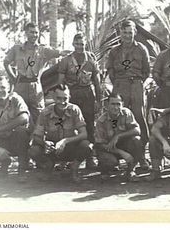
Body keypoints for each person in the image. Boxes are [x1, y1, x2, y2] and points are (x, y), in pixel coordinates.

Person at [106, 19, 150, 169]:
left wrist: (137, 82)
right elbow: (110, 70)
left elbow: (146, 70)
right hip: (120, 84)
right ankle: (116, 156)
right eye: (124, 32)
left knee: (139, 117)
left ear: (135, 33)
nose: (127, 35)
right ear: (120, 33)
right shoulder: (114, 51)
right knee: (118, 117)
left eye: (130, 32)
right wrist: (118, 83)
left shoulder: (142, 49)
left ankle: (142, 156)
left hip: (136, 84)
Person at [4, 22, 66, 127]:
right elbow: (6, 63)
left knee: (39, 116)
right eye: (31, 32)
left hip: (35, 87)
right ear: (26, 33)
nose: (34, 35)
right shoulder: (16, 49)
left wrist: (80, 52)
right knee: (18, 114)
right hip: (20, 86)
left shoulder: (43, 50)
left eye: (36, 33)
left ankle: (38, 141)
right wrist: (13, 78)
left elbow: (61, 52)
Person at [28, 84, 91, 182]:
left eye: (65, 98)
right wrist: (44, 143)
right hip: (52, 149)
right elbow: (36, 136)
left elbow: (84, 134)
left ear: (69, 98)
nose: (62, 102)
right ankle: (48, 167)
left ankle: (74, 169)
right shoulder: (45, 113)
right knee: (33, 150)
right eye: (58, 98)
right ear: (53, 98)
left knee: (86, 146)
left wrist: (65, 141)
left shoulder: (75, 110)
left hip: (69, 148)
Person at [58, 32, 101, 169]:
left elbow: (97, 82)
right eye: (77, 44)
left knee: (88, 125)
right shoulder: (66, 60)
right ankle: (65, 158)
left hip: (87, 94)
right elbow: (60, 82)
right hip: (72, 95)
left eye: (82, 44)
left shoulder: (91, 58)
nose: (79, 47)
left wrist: (99, 100)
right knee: (68, 125)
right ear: (73, 44)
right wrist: (63, 99)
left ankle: (90, 157)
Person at [94, 93, 143, 182]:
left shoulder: (126, 113)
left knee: (137, 140)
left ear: (122, 104)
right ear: (107, 105)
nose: (116, 107)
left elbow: (137, 130)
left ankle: (130, 171)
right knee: (110, 161)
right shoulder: (101, 121)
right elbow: (99, 145)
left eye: (118, 104)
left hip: (123, 145)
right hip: (109, 149)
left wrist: (118, 136)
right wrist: (121, 152)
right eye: (113, 104)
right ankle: (105, 171)